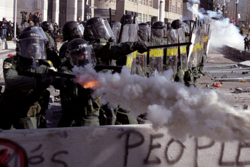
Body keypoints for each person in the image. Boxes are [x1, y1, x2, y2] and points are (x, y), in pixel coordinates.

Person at [0, 28, 55, 129]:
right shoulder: (11, 62)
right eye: (30, 47)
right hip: (9, 112)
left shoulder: (44, 65)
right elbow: (11, 80)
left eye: (36, 47)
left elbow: (57, 76)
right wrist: (36, 82)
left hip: (29, 113)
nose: (33, 51)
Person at [57, 38, 101, 127]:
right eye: (81, 54)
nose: (85, 56)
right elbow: (61, 77)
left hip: (88, 114)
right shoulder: (66, 67)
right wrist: (72, 81)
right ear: (73, 56)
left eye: (86, 53)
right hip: (70, 114)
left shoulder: (93, 66)